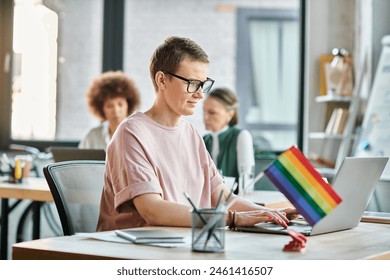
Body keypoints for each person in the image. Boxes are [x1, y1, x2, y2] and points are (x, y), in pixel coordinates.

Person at [97, 36, 297, 231]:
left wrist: (270, 214)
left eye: (203, 84)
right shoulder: (131, 133)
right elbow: (152, 209)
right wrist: (233, 219)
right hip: (136, 250)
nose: (200, 94)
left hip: (181, 243)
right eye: (192, 83)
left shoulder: (190, 132)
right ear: (161, 80)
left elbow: (222, 197)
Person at [202, 88, 255, 194]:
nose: (205, 117)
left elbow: (248, 184)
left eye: (212, 113)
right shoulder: (204, 140)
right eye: (204, 111)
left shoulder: (241, 136)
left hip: (234, 202)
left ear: (230, 115)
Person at [78, 71, 141, 150]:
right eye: (109, 106)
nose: (116, 110)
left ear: (128, 105)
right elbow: (80, 161)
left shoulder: (138, 135)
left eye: (120, 104)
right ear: (102, 109)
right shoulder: (92, 136)